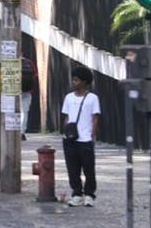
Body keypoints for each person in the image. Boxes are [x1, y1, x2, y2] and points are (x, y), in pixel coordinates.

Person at [61, 65, 101, 207]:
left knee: (89, 168)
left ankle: (89, 194)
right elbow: (66, 116)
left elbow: (95, 117)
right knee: (72, 168)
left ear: (84, 82)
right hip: (70, 138)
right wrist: (65, 132)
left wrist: (93, 134)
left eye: (76, 80)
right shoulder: (68, 98)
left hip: (85, 138)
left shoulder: (92, 98)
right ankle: (77, 193)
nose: (73, 82)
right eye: (73, 80)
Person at [21, 53, 38, 140]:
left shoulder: (9, 62)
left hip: (12, 91)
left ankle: (13, 131)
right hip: (27, 91)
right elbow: (35, 76)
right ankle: (22, 132)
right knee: (24, 112)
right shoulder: (29, 62)